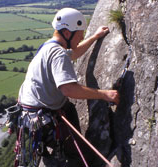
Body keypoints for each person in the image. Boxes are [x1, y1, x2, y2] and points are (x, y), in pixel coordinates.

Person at [18, 8, 119, 167]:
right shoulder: (58, 54)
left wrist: (95, 37)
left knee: (68, 108)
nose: (81, 37)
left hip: (30, 112)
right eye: (79, 33)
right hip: (43, 117)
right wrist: (104, 94)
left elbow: (74, 52)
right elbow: (69, 89)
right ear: (66, 32)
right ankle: (74, 157)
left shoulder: (49, 47)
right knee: (81, 154)